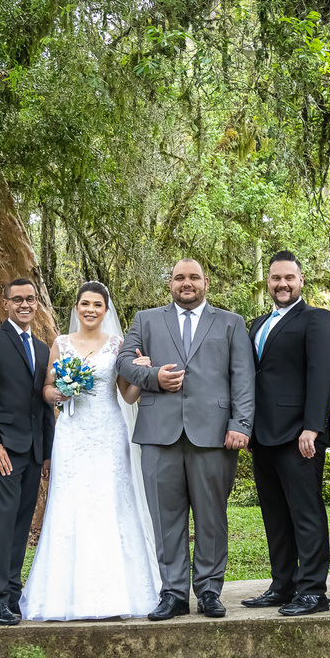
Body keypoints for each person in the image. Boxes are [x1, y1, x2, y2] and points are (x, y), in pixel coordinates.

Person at [115, 259, 255, 620]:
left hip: (214, 435)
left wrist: (240, 424)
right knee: (166, 519)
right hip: (158, 434)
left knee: (211, 517)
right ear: (171, 283)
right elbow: (123, 362)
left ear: (206, 282)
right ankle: (173, 593)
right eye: (179, 277)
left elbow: (243, 377)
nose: (186, 283)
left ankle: (209, 591)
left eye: (193, 277)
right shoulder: (146, 320)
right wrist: (153, 377)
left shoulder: (231, 323)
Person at [20, 282, 161, 620]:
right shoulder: (61, 343)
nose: (91, 310)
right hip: (72, 434)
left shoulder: (118, 345)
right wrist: (60, 393)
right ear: (77, 308)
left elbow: (127, 395)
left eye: (98, 304)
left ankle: (118, 594)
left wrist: (141, 373)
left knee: (112, 502)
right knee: (71, 503)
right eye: (85, 303)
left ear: (106, 310)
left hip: (109, 433)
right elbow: (47, 389)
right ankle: (65, 596)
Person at [241, 251, 330, 616]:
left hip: (300, 434)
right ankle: (283, 585)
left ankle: (313, 591)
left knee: (305, 514)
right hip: (263, 435)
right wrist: (247, 428)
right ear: (268, 282)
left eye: (288, 278)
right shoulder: (258, 324)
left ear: (301, 281)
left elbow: (322, 374)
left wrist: (312, 426)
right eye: (275, 278)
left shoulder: (317, 319)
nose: (282, 284)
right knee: (275, 514)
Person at [0, 278, 55, 626]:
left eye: (30, 299)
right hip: (4, 447)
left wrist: (47, 452)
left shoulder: (42, 348)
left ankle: (12, 594)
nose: (24, 304)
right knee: (3, 523)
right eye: (17, 299)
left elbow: (43, 405)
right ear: (5, 303)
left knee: (21, 524)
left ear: (37, 303)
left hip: (33, 449)